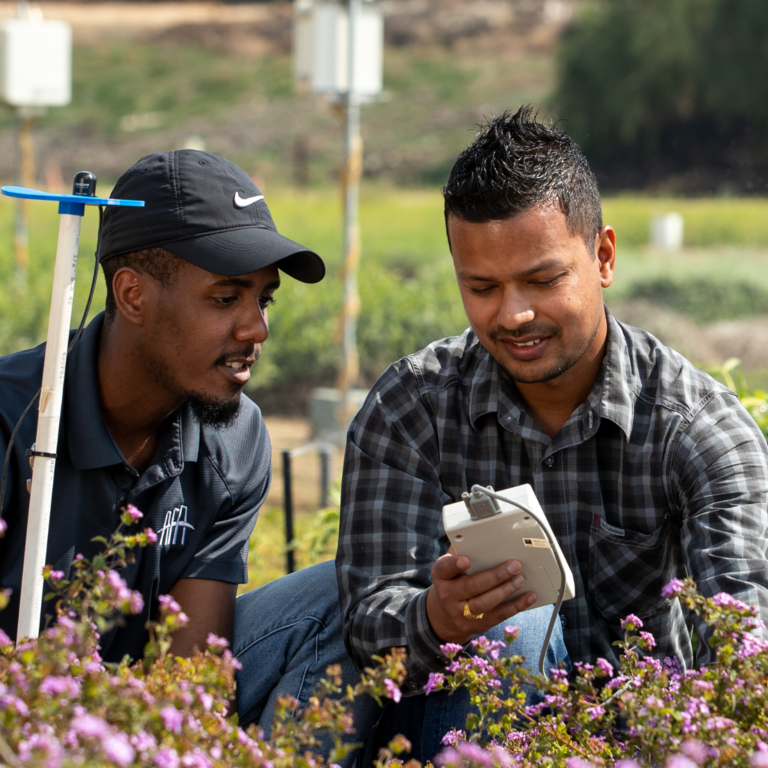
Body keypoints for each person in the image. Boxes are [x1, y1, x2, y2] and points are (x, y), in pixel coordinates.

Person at [337, 107, 768, 761]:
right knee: (510, 616)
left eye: (543, 280)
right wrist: (437, 618)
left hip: (646, 739)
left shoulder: (699, 428)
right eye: (482, 287)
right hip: (468, 733)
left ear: (603, 257)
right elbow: (366, 618)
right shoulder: (409, 410)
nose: (513, 314)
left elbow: (745, 637)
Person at [0, 149, 356, 741]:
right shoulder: (14, 420)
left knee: (347, 598)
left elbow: (191, 674)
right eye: (226, 298)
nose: (256, 329)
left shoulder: (235, 438)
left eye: (263, 300)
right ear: (133, 295)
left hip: (134, 707)